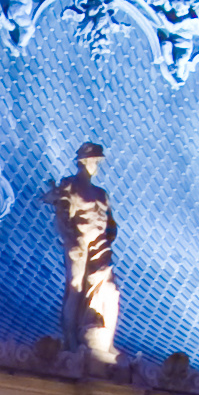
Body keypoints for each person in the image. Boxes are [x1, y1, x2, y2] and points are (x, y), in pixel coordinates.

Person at [47, 144, 124, 364]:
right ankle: (71, 341)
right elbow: (63, 216)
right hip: (79, 244)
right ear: (83, 162)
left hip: (100, 246)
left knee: (109, 289)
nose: (97, 165)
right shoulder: (70, 186)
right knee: (76, 288)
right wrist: (72, 239)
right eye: (94, 161)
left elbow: (110, 225)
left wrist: (107, 236)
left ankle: (104, 343)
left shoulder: (101, 194)